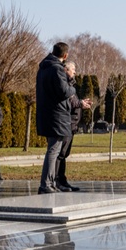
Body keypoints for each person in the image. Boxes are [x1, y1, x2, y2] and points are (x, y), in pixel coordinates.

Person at [35, 42, 76, 194]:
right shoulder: (57, 69)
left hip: (47, 114)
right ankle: (46, 184)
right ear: (65, 56)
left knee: (53, 150)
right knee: (53, 151)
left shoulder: (43, 68)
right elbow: (64, 92)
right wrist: (72, 86)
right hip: (57, 116)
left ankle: (50, 182)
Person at [55, 61, 92, 192]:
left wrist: (81, 103)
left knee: (64, 154)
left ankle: (62, 180)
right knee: (60, 154)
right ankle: (57, 181)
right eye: (73, 69)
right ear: (65, 70)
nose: (75, 72)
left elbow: (72, 101)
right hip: (65, 124)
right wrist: (80, 103)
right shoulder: (63, 84)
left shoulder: (69, 84)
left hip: (71, 125)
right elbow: (68, 102)